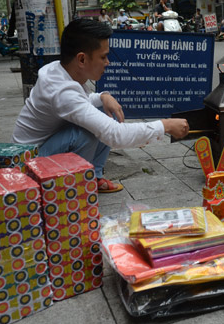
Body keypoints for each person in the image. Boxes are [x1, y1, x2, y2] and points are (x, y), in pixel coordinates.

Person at [11, 19, 190, 193]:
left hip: (43, 148)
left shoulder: (60, 70)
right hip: (30, 165)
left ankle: (93, 178)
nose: (107, 62)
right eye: (103, 57)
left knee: (102, 113)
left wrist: (103, 96)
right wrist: (166, 125)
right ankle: (73, 188)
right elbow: (115, 135)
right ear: (81, 59)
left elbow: (82, 102)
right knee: (89, 131)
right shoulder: (62, 92)